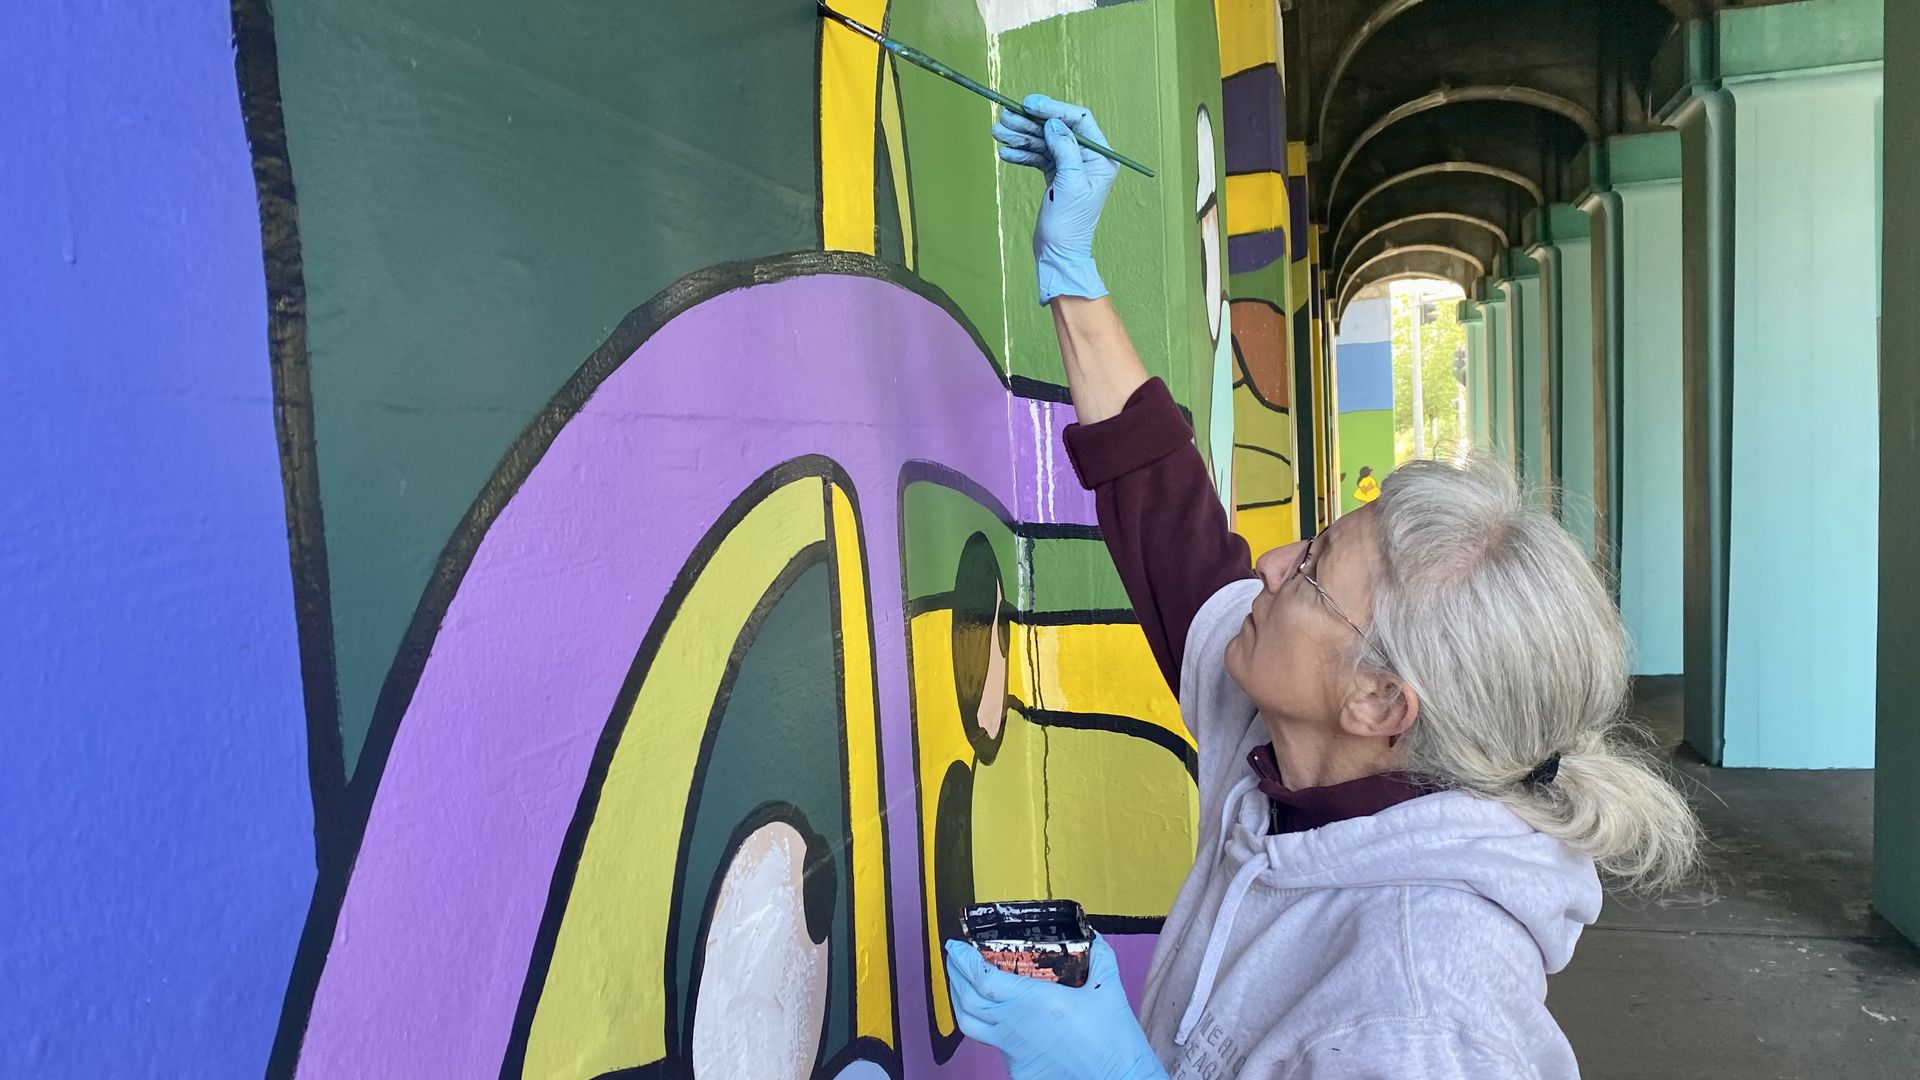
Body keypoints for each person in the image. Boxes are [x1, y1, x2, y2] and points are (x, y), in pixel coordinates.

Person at [943, 96, 1702, 1080]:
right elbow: (1180, 544)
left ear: (1381, 699)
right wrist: (1072, 276)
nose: (1269, 561)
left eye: (1309, 573)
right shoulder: (1300, 756)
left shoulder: (1422, 1010)